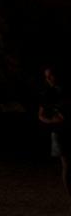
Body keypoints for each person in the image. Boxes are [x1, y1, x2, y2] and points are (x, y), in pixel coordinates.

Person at [41, 68, 67, 196]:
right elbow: (40, 115)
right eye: (47, 77)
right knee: (66, 164)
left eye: (51, 75)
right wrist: (52, 120)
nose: (48, 79)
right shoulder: (47, 94)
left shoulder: (65, 91)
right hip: (59, 131)